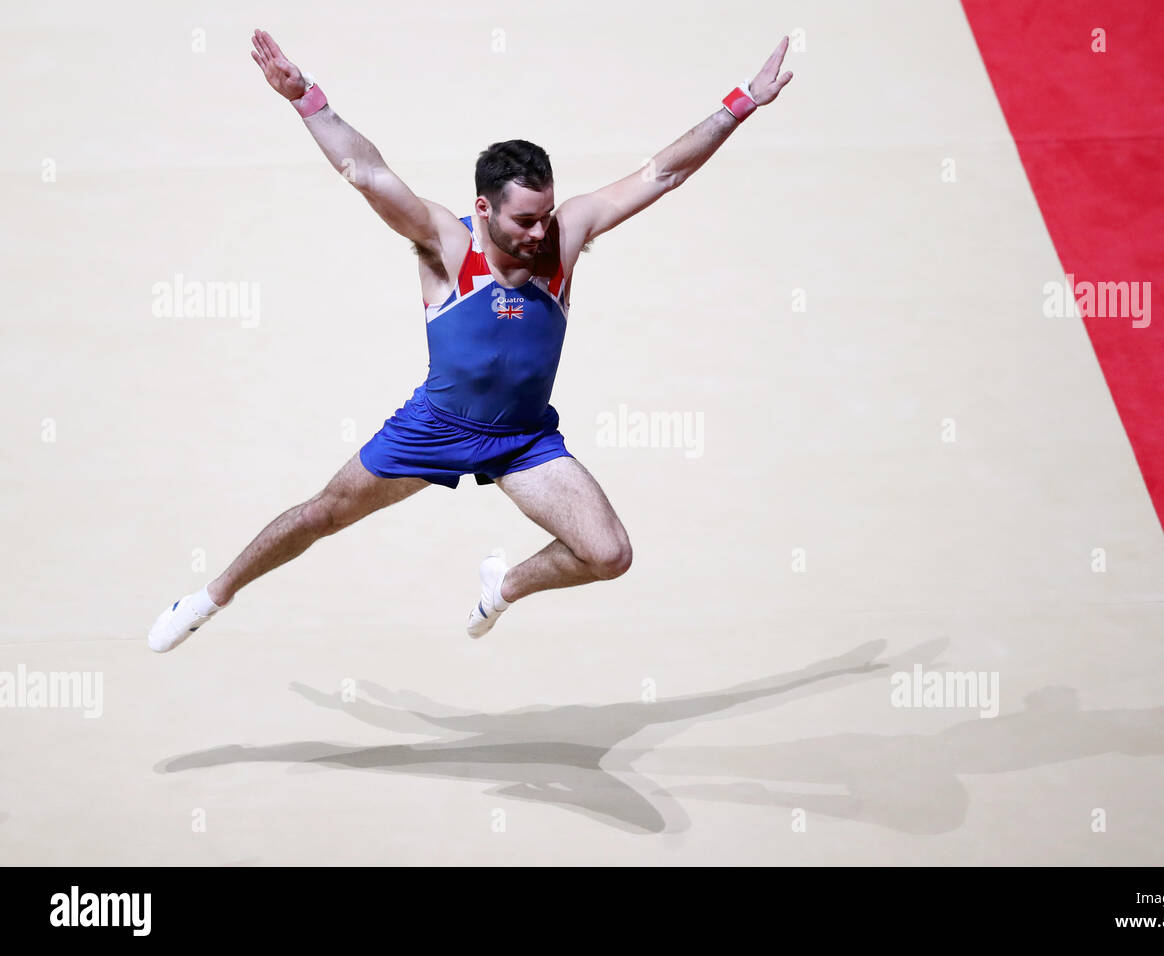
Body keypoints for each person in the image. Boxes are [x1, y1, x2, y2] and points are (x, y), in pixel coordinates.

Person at [147, 28, 794, 652]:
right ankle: (210, 597)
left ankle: (502, 588)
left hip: (523, 439)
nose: (542, 233)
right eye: (525, 220)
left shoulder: (564, 237)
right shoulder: (447, 245)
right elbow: (367, 173)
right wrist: (305, 97)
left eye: (546, 215)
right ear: (484, 208)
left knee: (609, 554)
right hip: (435, 428)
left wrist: (738, 104)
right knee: (322, 515)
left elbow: (661, 175)